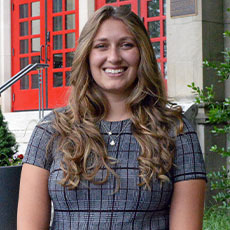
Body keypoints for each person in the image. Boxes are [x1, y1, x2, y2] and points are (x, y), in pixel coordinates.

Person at [17, 5, 207, 230]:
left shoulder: (176, 130)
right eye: (101, 46)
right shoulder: (51, 130)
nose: (114, 57)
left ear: (142, 53)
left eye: (126, 45)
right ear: (87, 55)